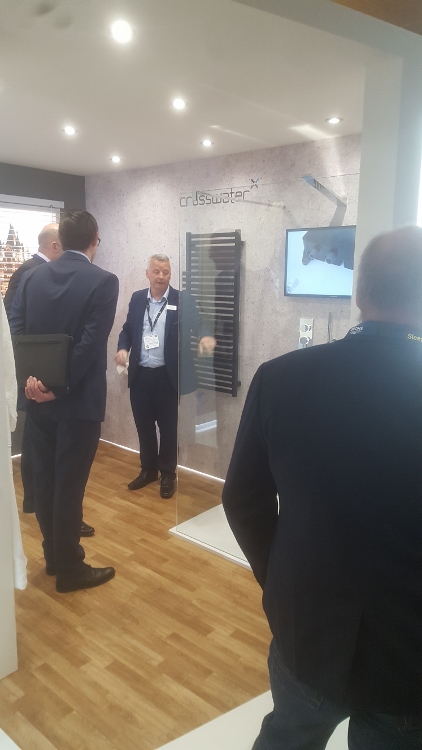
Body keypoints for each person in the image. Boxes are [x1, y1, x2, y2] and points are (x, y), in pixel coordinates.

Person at [222, 226, 422, 749]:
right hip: (409, 649)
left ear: (359, 292)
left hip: (306, 625)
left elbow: (241, 499)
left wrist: (278, 578)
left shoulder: (279, 378)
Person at [10, 209, 119, 593]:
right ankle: (71, 568)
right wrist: (59, 386)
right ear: (94, 240)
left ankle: (54, 557)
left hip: (36, 398)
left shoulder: (30, 277)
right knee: (69, 487)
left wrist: (33, 382)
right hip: (77, 403)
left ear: (63, 240)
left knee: (45, 482)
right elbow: (90, 344)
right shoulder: (104, 281)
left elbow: (16, 333)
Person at [116, 254, 215, 499]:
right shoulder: (137, 298)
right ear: (147, 273)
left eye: (166, 272)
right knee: (144, 427)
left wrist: (205, 336)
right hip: (140, 375)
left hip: (167, 377)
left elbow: (200, 323)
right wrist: (122, 348)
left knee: (169, 429)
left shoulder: (182, 300)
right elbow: (127, 329)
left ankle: (168, 474)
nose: (161, 276)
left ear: (170, 274)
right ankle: (149, 470)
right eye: (157, 271)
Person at [5, 223, 63, 515]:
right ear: (54, 246)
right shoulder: (29, 272)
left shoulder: (42, 271)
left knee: (40, 440)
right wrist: (30, 370)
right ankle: (35, 500)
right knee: (34, 441)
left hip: (44, 370)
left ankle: (39, 500)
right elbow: (13, 326)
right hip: (33, 373)